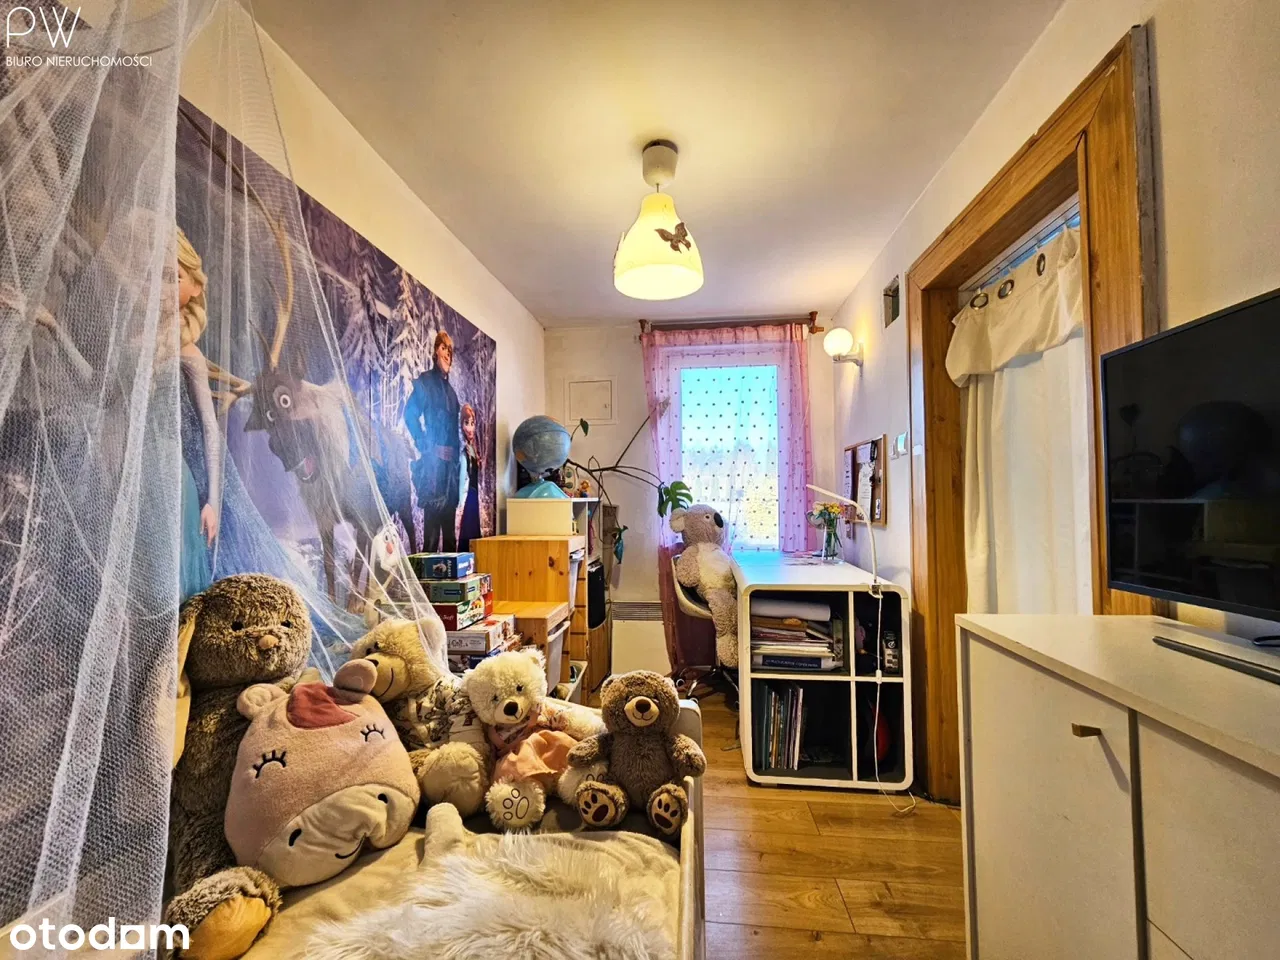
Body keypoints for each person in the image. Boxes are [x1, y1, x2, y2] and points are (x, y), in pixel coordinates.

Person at [405, 330, 461, 552]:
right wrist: (428, 447)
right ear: (435, 351)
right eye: (443, 348)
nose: (447, 354)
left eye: (450, 350)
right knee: (430, 538)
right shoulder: (425, 383)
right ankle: (426, 578)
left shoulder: (452, 394)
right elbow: (410, 415)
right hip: (433, 473)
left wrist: (455, 464)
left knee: (450, 539)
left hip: (450, 476)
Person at [458, 402, 482, 550]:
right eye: (467, 423)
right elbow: (462, 479)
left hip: (473, 495)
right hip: (468, 497)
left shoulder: (473, 448)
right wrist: (461, 503)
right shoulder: (463, 451)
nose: (470, 428)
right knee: (467, 532)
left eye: (472, 423)